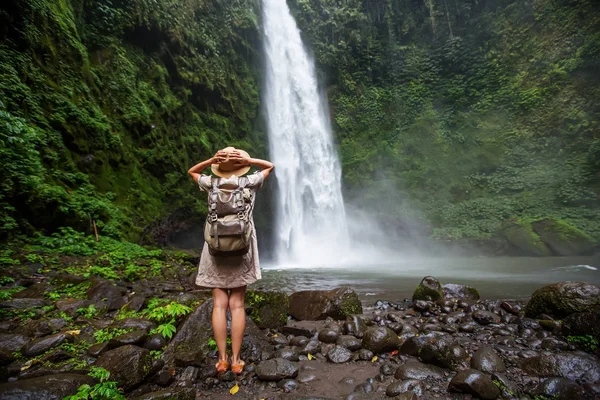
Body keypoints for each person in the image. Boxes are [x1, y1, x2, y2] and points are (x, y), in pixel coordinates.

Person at [187, 147, 274, 374]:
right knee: (237, 305)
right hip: (241, 249)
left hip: (215, 248)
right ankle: (236, 360)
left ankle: (222, 359)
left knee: (219, 305)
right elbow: (269, 167)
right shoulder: (249, 182)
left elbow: (191, 171)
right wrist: (249, 159)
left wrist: (209, 160)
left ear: (219, 166)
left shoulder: (210, 184)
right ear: (241, 165)